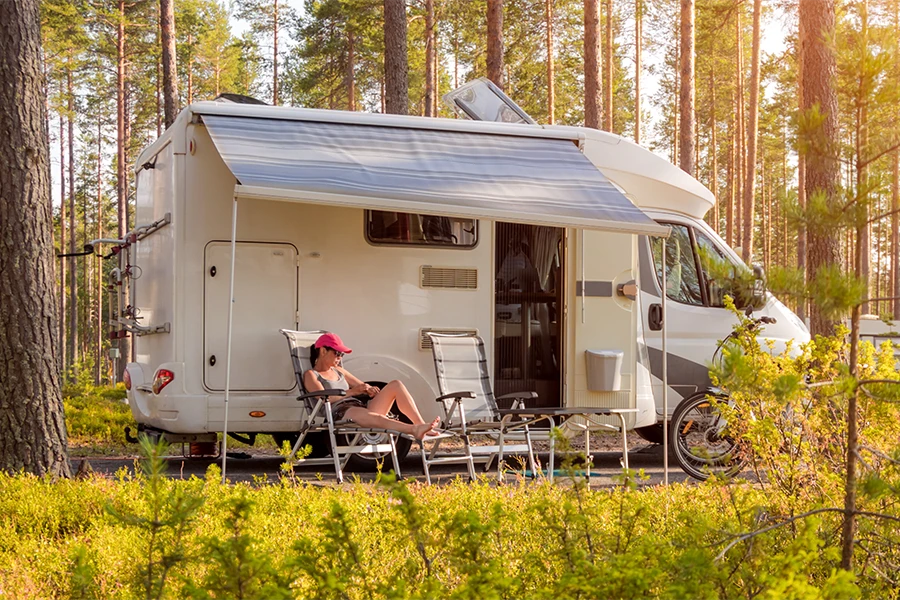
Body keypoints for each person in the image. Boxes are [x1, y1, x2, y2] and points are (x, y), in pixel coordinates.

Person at [303, 332, 441, 440]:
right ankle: (413, 430)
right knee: (378, 418)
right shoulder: (312, 375)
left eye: (342, 354)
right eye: (337, 353)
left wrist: (368, 388)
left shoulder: (338, 370)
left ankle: (420, 424)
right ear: (322, 351)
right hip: (340, 412)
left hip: (358, 407)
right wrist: (352, 392)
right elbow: (324, 398)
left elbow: (361, 384)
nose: (340, 357)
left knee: (396, 385)